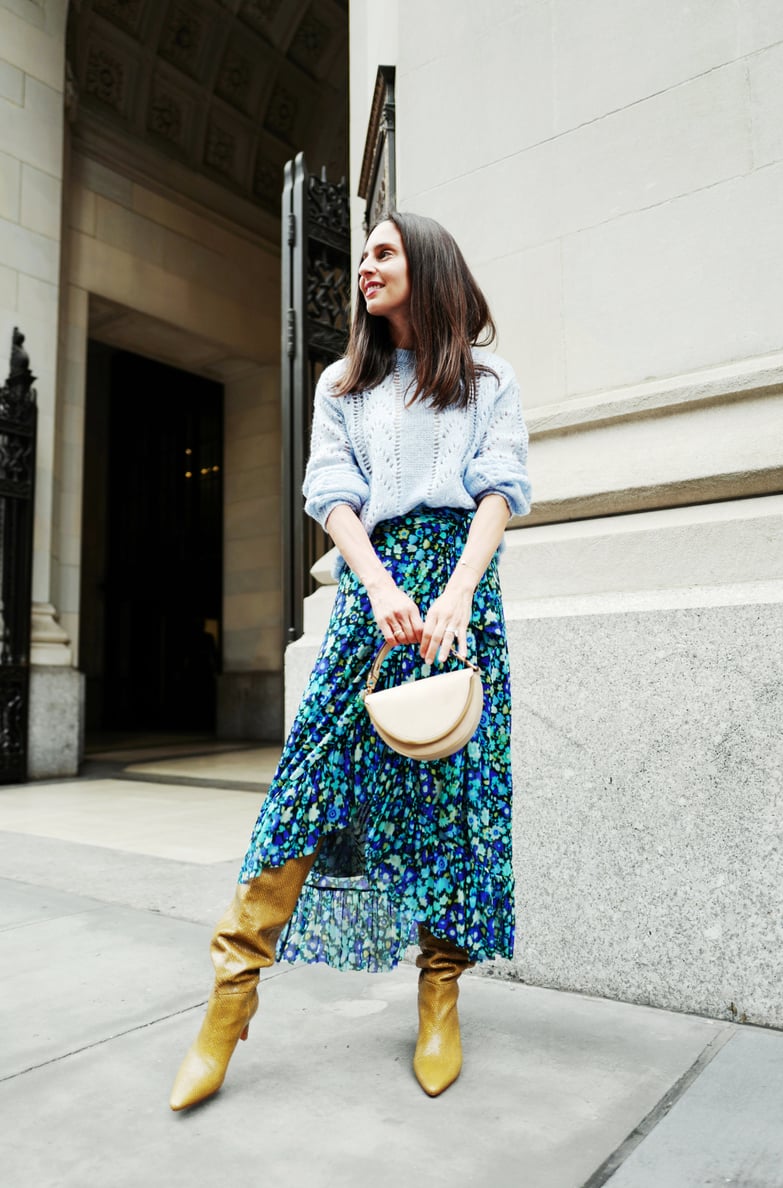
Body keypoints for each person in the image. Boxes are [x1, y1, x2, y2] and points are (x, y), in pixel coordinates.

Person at [169, 211, 530, 1110]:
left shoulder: (488, 378)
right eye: (363, 254)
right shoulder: (344, 383)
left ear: (428, 264)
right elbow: (331, 493)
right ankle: (228, 1002)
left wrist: (456, 592)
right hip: (374, 597)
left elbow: (498, 489)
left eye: (382, 252)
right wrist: (374, 587)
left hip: (460, 597)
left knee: (455, 796)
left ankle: (440, 995)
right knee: (305, 786)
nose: (365, 267)